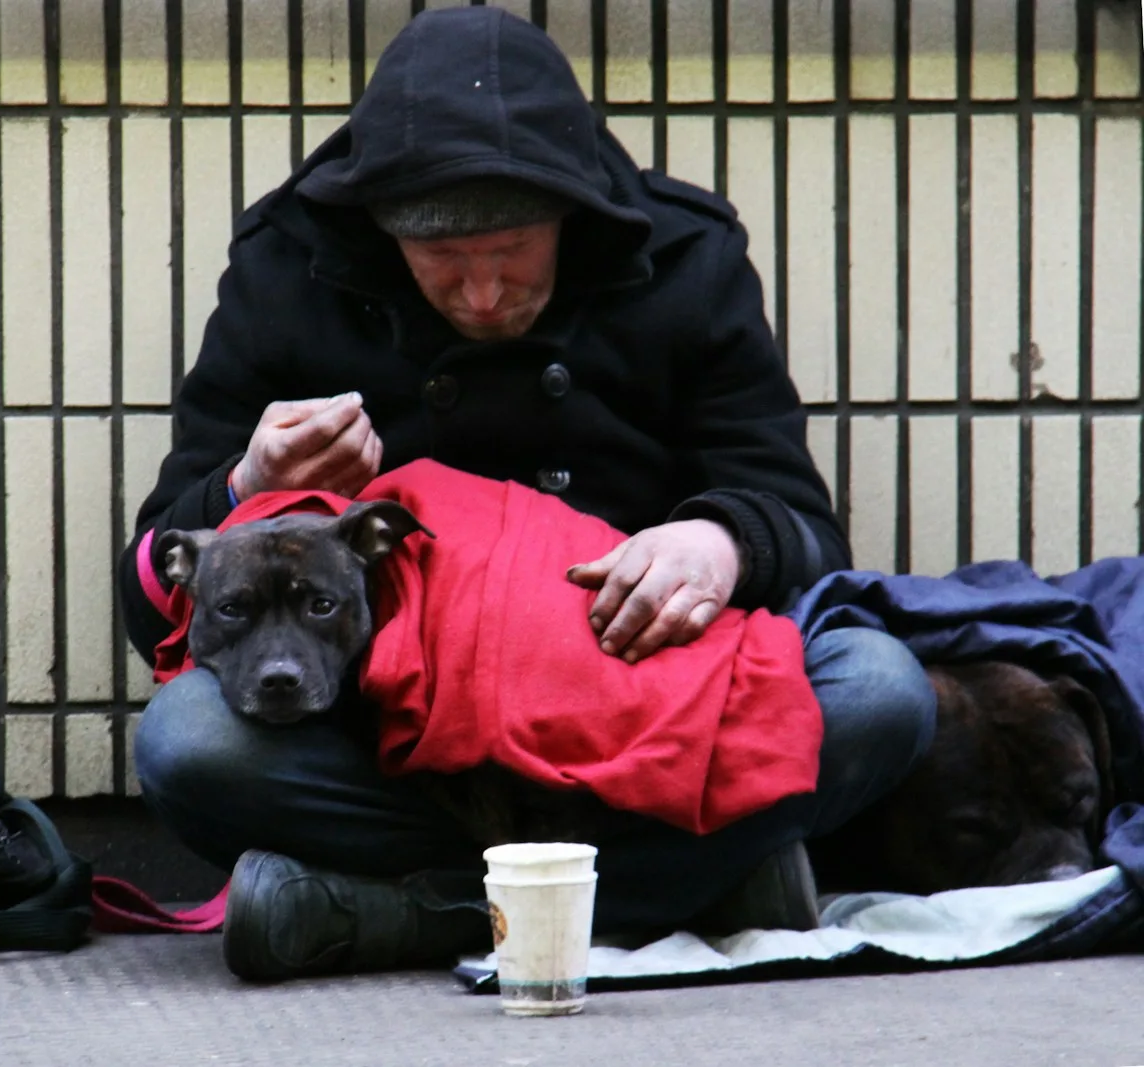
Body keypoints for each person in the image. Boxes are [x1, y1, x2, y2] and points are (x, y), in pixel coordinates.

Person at [116, 6, 937, 981]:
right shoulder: (289, 265)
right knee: (186, 742)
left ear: (570, 214)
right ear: (382, 232)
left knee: (882, 688)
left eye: (512, 255)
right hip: (391, 728)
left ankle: (389, 913)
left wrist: (717, 541)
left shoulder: (685, 255)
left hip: (628, 695)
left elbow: (799, 523)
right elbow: (153, 591)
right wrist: (249, 482)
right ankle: (687, 883)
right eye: (442, 264)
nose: (481, 296)